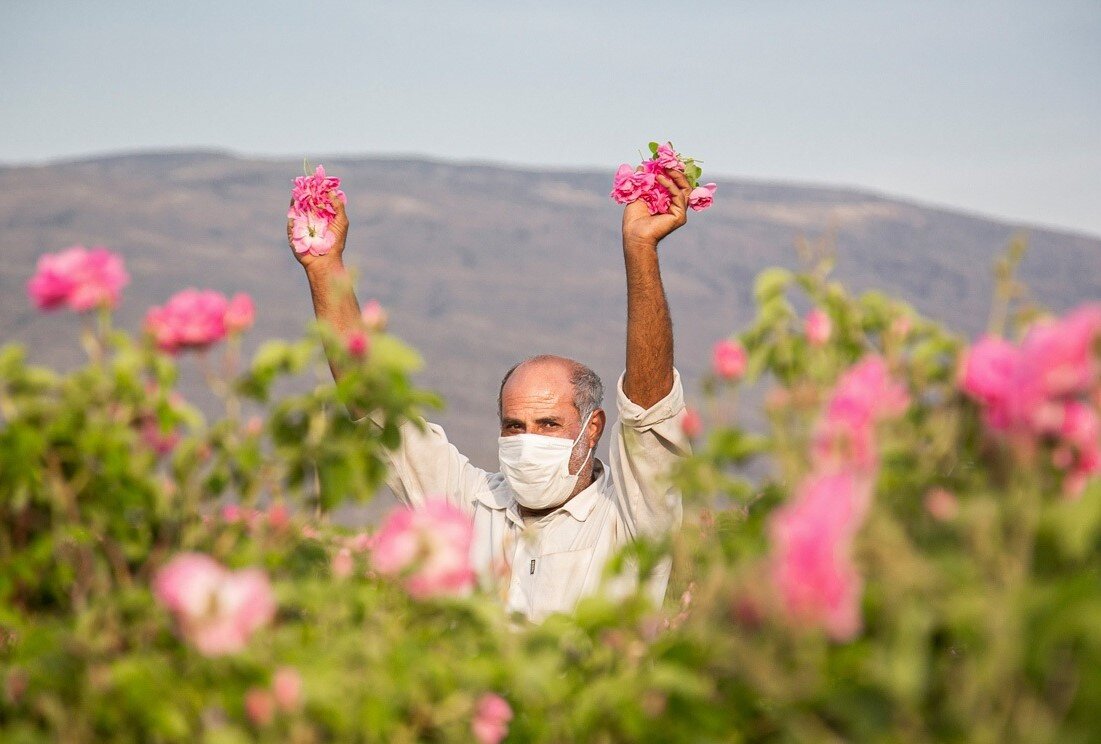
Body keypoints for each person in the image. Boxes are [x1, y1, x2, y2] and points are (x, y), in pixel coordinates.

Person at [290, 168, 695, 622]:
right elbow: (377, 409)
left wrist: (640, 251)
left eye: (548, 425)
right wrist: (325, 267)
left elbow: (648, 411)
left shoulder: (632, 517)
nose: (528, 441)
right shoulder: (470, 505)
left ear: (592, 427)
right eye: (513, 426)